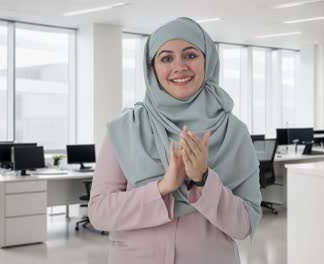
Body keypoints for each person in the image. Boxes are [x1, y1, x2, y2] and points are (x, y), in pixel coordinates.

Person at [88, 17, 262, 264]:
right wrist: (162, 188)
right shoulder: (125, 129)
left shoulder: (234, 132)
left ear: (207, 61)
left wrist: (203, 178)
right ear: (152, 69)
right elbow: (99, 213)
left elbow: (244, 224)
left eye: (190, 55)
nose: (179, 67)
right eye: (166, 58)